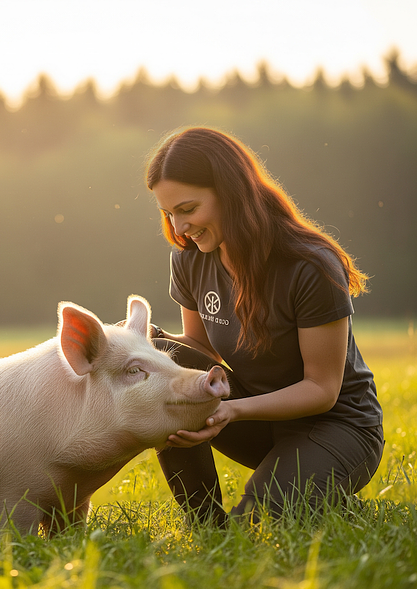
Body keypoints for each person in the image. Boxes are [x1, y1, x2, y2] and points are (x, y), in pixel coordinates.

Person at [145, 126, 384, 524]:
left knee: (260, 519)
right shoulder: (189, 258)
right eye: (168, 214)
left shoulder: (309, 265)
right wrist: (139, 347)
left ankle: (312, 481)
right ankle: (204, 524)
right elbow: (200, 352)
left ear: (231, 192)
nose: (179, 227)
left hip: (336, 424)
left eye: (187, 209)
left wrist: (233, 411)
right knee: (154, 358)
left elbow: (322, 389)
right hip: (259, 419)